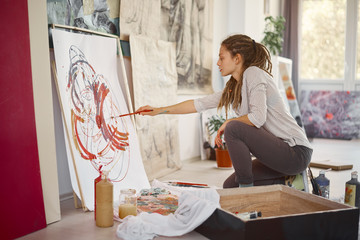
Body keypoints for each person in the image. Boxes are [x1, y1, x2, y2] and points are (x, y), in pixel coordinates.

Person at [136, 34, 313, 188]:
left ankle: (246, 193)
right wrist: (158, 110)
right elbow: (198, 104)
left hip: (295, 152)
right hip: (279, 154)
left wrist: (228, 123)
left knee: (233, 129)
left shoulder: (254, 73)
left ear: (237, 59)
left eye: (222, 58)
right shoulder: (234, 88)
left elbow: (258, 118)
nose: (218, 63)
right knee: (229, 186)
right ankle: (290, 182)